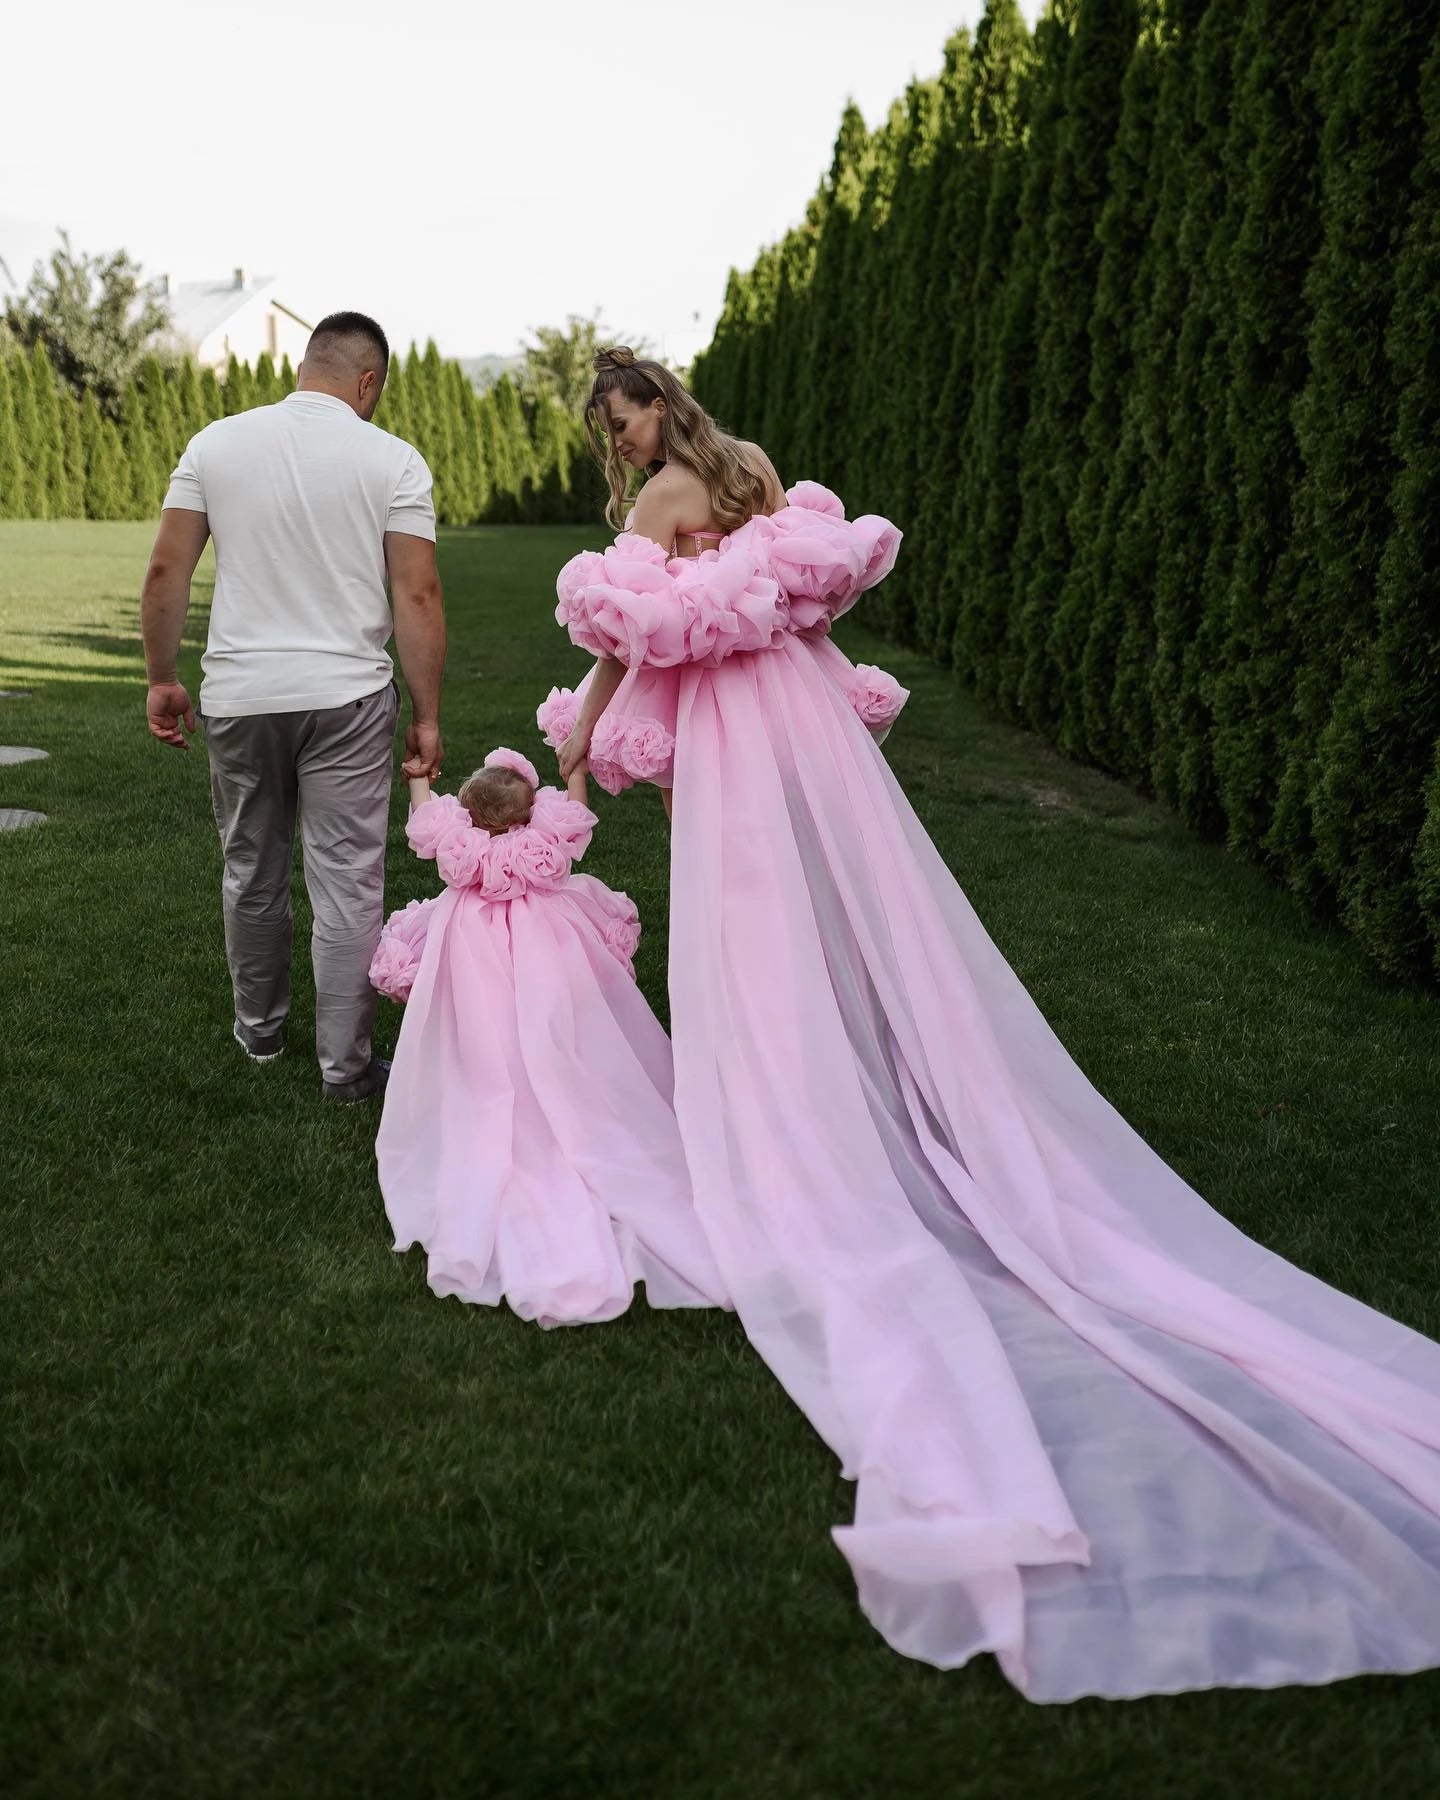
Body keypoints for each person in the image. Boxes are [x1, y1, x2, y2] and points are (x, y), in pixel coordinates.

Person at [543, 346, 1440, 1702]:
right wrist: (831, 699)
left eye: (626, 418)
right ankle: (863, 1071)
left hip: (734, 723)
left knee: (751, 922)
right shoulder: (757, 471)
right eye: (613, 428)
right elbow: (802, 607)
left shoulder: (663, 504)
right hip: (794, 711)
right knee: (827, 903)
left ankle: (788, 1113)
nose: (623, 441)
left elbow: (626, 641)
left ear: (658, 409)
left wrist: (581, 733)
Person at [140, 311, 446, 1102]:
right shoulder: (394, 459)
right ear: (368, 381)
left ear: (307, 365)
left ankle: (260, 1037)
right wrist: (426, 716)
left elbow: (166, 571)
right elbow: (416, 593)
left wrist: (162, 677)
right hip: (347, 697)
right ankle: (346, 1070)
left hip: (241, 696)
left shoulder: (215, 443)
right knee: (347, 883)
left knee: (252, 868)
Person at [370, 747, 728, 1325]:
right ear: (531, 812)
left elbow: (425, 819)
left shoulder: (460, 848)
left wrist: (417, 777)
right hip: (545, 943)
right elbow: (577, 817)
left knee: (485, 1018)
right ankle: (560, 1061)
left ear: (467, 813)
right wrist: (576, 771)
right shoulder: (545, 844)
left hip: (475, 945)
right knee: (556, 1008)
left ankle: (489, 1073)